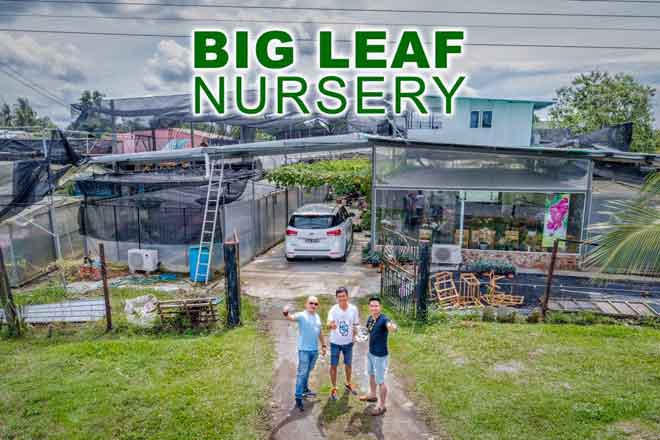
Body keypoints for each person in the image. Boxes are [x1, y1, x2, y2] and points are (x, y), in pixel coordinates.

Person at [283, 296, 327, 412]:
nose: (313, 305)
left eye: (316, 304)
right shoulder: (302, 315)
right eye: (311, 303)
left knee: (308, 370)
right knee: (302, 373)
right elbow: (290, 317)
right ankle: (298, 398)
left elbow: (320, 332)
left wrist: (323, 345)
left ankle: (305, 389)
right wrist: (285, 312)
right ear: (306, 304)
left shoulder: (317, 316)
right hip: (304, 351)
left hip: (314, 350)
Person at [359, 297, 397, 416]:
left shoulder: (384, 319)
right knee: (371, 374)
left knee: (380, 381)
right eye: (372, 306)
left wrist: (393, 327)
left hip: (380, 356)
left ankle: (382, 406)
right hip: (371, 353)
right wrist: (360, 335)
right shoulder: (370, 319)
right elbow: (367, 332)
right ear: (369, 307)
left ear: (380, 307)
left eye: (376, 306)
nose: (374, 308)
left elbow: (390, 326)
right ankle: (372, 395)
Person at [327, 287, 360, 401]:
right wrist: (331, 325)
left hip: (348, 343)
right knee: (333, 366)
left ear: (347, 296)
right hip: (335, 342)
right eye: (339, 297)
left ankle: (348, 383)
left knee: (348, 365)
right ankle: (334, 387)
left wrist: (355, 336)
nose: (342, 298)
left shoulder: (353, 309)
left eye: (343, 296)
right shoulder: (333, 309)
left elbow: (355, 324)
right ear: (336, 298)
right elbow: (328, 323)